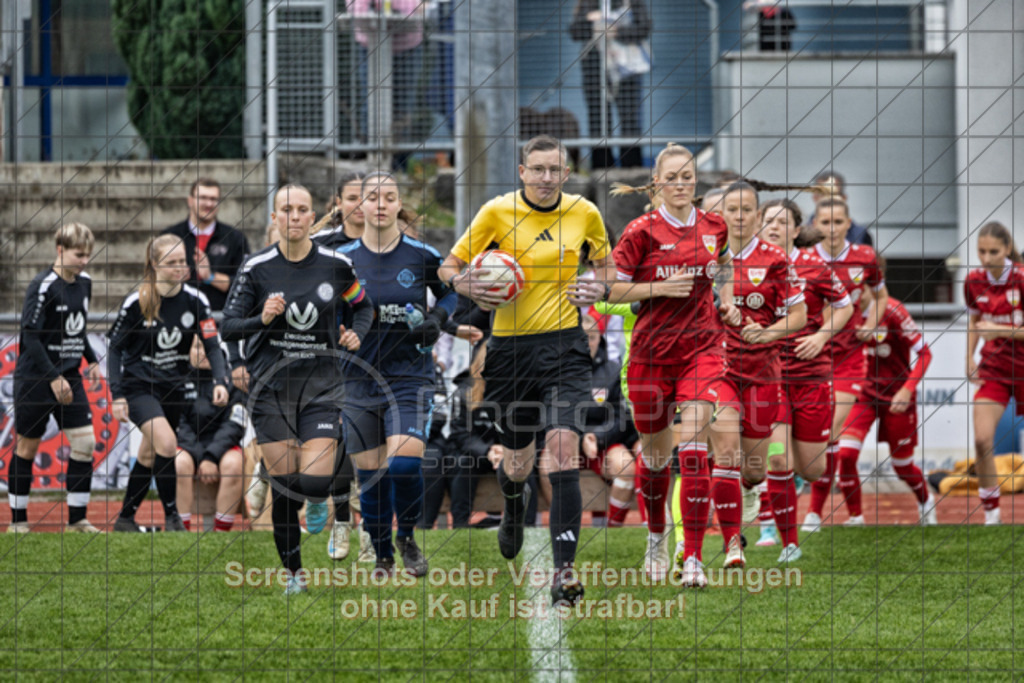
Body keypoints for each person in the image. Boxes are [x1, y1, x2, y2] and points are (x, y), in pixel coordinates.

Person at [438, 135, 613, 605]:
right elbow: (447, 266)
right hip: (511, 353)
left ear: (566, 173)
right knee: (517, 465)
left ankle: (565, 573)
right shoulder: (496, 212)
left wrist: (599, 289)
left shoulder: (584, 213)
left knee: (561, 450)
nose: (546, 178)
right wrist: (464, 281)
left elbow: (607, 267)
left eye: (554, 169)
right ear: (521, 172)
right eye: (537, 169)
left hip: (566, 349)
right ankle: (514, 511)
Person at [221, 184, 373, 595]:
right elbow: (228, 325)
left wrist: (356, 334)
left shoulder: (336, 264)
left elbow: (363, 305)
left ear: (313, 217)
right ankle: (294, 576)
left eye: (302, 209)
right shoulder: (256, 267)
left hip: (321, 387)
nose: (294, 216)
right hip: (271, 390)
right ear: (274, 217)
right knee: (288, 489)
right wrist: (263, 320)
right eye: (286, 209)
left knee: (315, 483)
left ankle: (288, 481)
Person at [608, 143, 741, 588]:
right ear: (656, 182)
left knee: (693, 446)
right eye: (672, 177)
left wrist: (725, 300)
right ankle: (656, 538)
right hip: (650, 355)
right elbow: (613, 292)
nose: (681, 184)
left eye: (687, 177)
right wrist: (657, 289)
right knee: (657, 457)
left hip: (702, 349)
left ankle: (695, 559)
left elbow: (722, 268)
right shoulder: (640, 231)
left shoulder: (713, 226)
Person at [339, 172, 458, 577]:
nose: (380, 204)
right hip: (356, 379)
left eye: (389, 197)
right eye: (372, 197)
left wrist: (438, 318)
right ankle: (383, 554)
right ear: (361, 206)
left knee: (405, 465)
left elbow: (453, 292)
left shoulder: (421, 255)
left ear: (397, 204)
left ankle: (406, 536)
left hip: (409, 376)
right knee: (370, 476)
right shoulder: (342, 259)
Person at [108, 235, 230, 533]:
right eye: (172, 262)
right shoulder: (138, 301)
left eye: (182, 261)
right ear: (154, 264)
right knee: (166, 443)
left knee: (149, 454)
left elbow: (212, 346)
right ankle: (173, 518)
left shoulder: (196, 300)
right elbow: (114, 349)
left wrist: (221, 380)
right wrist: (117, 394)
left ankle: (125, 519)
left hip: (174, 390)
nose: (180, 268)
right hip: (140, 388)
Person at [760, 198, 853, 559]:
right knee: (778, 459)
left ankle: (792, 484)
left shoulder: (815, 267)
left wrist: (821, 336)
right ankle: (789, 542)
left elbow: (845, 307)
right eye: (768, 221)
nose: (774, 226)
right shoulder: (749, 266)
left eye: (782, 222)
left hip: (812, 377)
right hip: (769, 377)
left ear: (796, 230)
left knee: (813, 469)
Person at [718, 182, 807, 546]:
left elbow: (799, 315)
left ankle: (749, 487)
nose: (739, 217)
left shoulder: (775, 258)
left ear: (757, 216)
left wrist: (770, 334)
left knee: (755, 469)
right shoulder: (707, 255)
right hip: (717, 368)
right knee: (724, 452)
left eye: (746, 210)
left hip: (762, 372)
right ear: (721, 214)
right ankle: (729, 543)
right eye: (732, 210)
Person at [7, 223, 103, 533]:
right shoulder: (43, 285)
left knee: (85, 442)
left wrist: (90, 359)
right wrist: (52, 377)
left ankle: (77, 521)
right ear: (59, 250)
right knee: (27, 448)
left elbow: (76, 329)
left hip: (70, 375)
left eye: (88, 255)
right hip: (36, 377)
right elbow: (30, 338)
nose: (84, 261)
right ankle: (18, 523)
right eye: (79, 254)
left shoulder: (85, 282)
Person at [802, 196, 889, 531]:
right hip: (812, 357)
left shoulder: (864, 257)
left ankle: (812, 512)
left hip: (849, 358)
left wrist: (871, 323)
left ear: (849, 224)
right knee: (820, 438)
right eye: (825, 223)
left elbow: (880, 296)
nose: (833, 229)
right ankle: (849, 513)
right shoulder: (803, 261)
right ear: (814, 226)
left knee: (829, 432)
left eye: (839, 222)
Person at [836, 286, 936, 525]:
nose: (852, 293)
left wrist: (907, 389)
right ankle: (855, 517)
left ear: (872, 285)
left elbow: (925, 353)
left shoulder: (893, 311)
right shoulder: (841, 311)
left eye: (858, 286)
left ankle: (925, 501)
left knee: (902, 466)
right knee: (846, 454)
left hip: (897, 398)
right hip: (862, 395)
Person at [965, 221, 1024, 526]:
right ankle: (991, 513)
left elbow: (991, 326)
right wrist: (968, 356)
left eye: (993, 252)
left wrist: (1000, 330)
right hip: (996, 370)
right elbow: (974, 320)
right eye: (981, 251)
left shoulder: (1022, 278)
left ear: (1007, 249)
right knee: (981, 440)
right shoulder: (973, 280)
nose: (986, 258)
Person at [174, 336, 247, 532]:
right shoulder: (176, 379)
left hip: (221, 448)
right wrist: (201, 456)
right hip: (189, 447)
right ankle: (180, 530)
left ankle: (220, 533)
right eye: (197, 347)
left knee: (234, 465)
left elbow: (235, 425)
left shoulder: (233, 380)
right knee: (179, 463)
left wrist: (211, 456)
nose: (204, 352)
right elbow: (178, 424)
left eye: (208, 348)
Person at [569, 0, 651, 168]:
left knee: (630, 119)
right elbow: (575, 31)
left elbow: (644, 27)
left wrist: (616, 31)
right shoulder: (588, 3)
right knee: (598, 119)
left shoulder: (631, 3)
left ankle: (632, 167)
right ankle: (601, 165)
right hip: (594, 69)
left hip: (626, 70)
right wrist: (592, 24)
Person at [162, 178, 251, 312]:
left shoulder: (235, 238)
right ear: (190, 201)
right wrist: (175, 276)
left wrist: (210, 277)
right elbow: (154, 278)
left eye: (214, 199)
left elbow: (245, 285)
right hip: (176, 317)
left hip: (220, 319)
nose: (209, 203)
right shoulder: (170, 236)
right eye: (202, 198)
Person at [807, 171, 872, 247]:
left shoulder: (861, 235)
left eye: (834, 194)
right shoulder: (798, 235)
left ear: (844, 198)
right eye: (823, 194)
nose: (829, 199)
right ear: (815, 198)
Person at [311, 172, 366, 250]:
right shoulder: (316, 242)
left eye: (365, 198)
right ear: (339, 202)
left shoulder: (387, 241)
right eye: (352, 199)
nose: (359, 205)